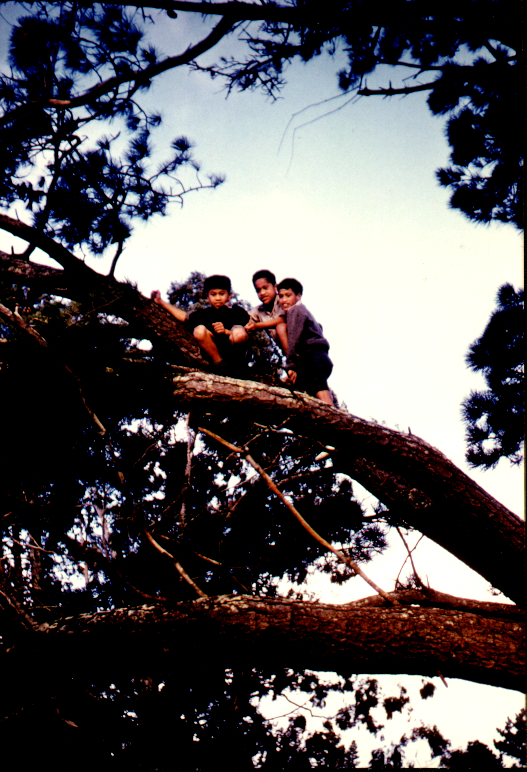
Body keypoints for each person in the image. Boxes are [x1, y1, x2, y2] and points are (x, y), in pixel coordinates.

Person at [151, 275, 250, 374]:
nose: (218, 298)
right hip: (215, 352)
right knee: (199, 330)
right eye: (213, 294)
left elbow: (246, 332)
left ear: (229, 295)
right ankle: (219, 364)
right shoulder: (204, 314)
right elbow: (183, 316)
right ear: (207, 296)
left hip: (235, 353)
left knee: (239, 333)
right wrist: (161, 302)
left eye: (222, 294)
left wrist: (225, 332)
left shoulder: (237, 312)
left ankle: (237, 366)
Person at [277, 277, 334, 406]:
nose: (284, 300)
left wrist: (291, 365)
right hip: (319, 359)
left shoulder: (295, 310)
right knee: (314, 392)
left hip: (315, 359)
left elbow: (293, 339)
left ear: (298, 296)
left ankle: (337, 421)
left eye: (288, 296)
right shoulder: (304, 311)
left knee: (322, 394)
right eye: (281, 296)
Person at [245, 269, 288, 352]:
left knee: (280, 327)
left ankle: (292, 362)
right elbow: (245, 318)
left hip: (304, 342)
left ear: (276, 288)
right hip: (289, 351)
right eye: (258, 290)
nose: (262, 293)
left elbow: (282, 319)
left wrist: (257, 325)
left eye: (265, 288)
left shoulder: (283, 300)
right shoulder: (258, 311)